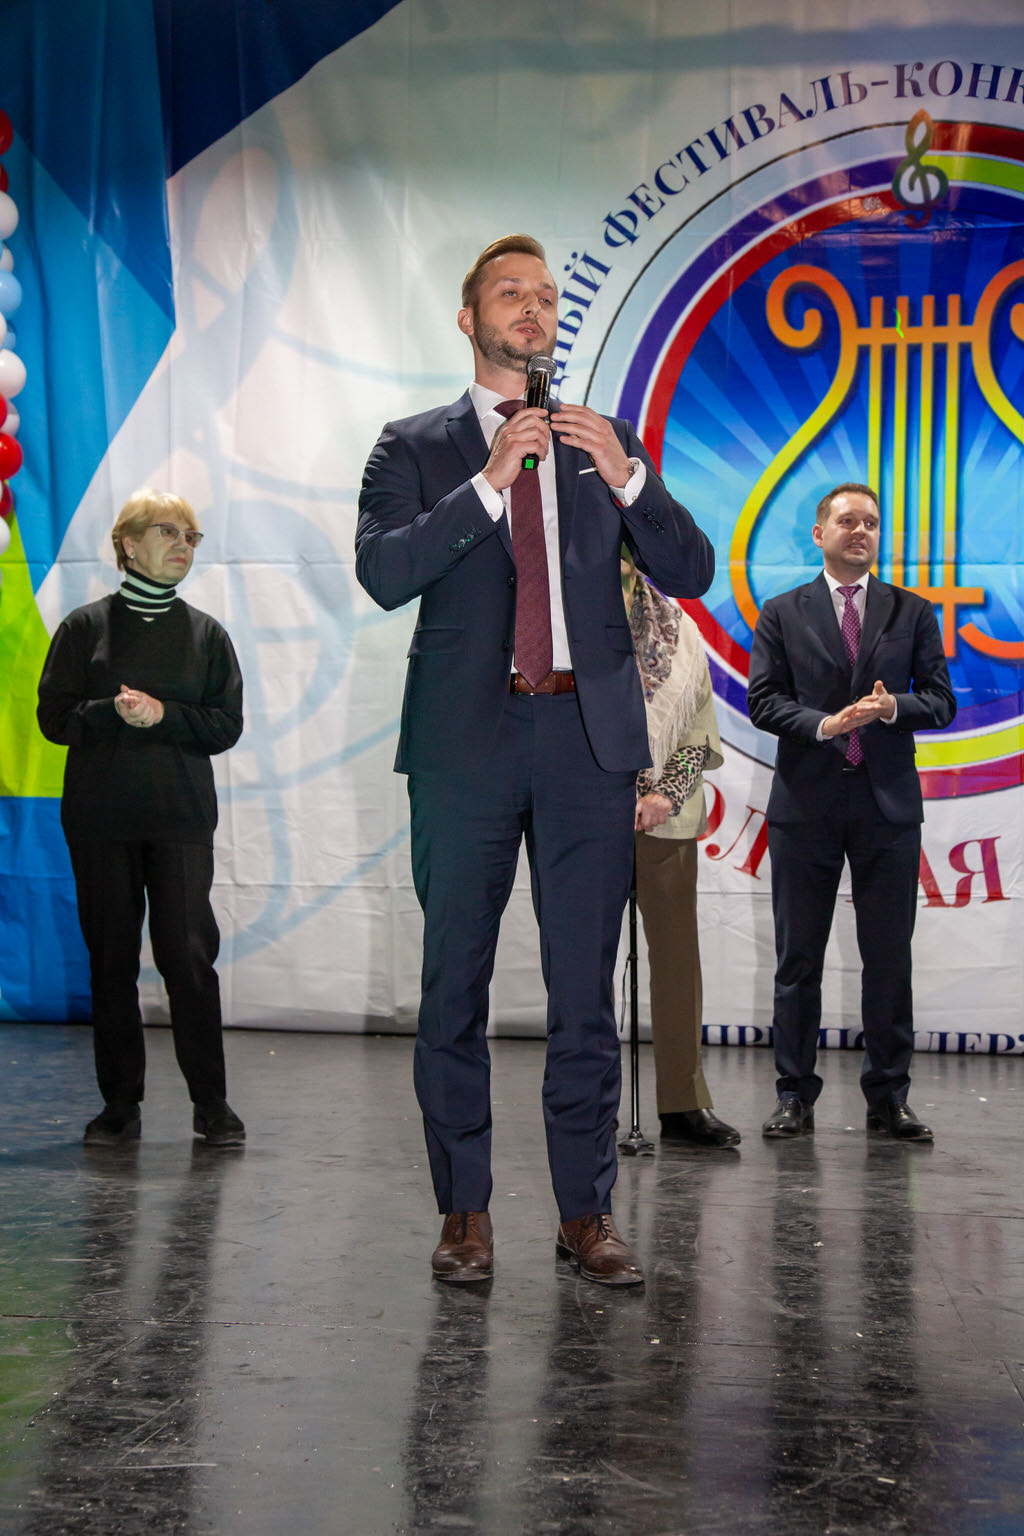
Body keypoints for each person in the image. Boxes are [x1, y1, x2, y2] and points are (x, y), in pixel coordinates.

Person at [356, 234, 713, 1286]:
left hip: (583, 743)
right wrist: (486, 483)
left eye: (547, 297)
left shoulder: (603, 443)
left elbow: (690, 569)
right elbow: (383, 572)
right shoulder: (412, 446)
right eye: (510, 293)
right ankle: (464, 1213)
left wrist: (630, 478)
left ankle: (584, 1214)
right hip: (463, 745)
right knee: (453, 986)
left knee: (585, 994)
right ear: (469, 319)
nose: (533, 308)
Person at [746, 483, 956, 1142]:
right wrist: (825, 724)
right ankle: (793, 1094)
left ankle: (889, 1097)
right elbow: (763, 701)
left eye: (870, 522)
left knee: (889, 959)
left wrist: (892, 708)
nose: (860, 530)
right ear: (820, 533)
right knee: (797, 959)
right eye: (847, 521)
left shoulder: (912, 611)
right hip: (805, 803)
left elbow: (941, 701)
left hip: (886, 806)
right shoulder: (782, 612)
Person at [37, 489, 245, 1147]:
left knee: (189, 959)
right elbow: (53, 719)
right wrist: (110, 713)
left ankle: (211, 1104)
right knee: (111, 961)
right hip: (101, 820)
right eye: (167, 531)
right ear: (127, 544)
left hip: (180, 818)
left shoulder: (207, 635)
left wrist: (164, 715)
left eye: (191, 536)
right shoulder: (83, 628)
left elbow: (225, 726)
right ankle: (119, 1106)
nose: (183, 545)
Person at [623, 553, 740, 1148]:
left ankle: (682, 1102)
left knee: (674, 962)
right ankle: (587, 1102)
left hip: (663, 819)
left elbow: (697, 728)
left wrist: (663, 795)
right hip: (583, 816)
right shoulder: (565, 621)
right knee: (579, 964)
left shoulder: (680, 628)